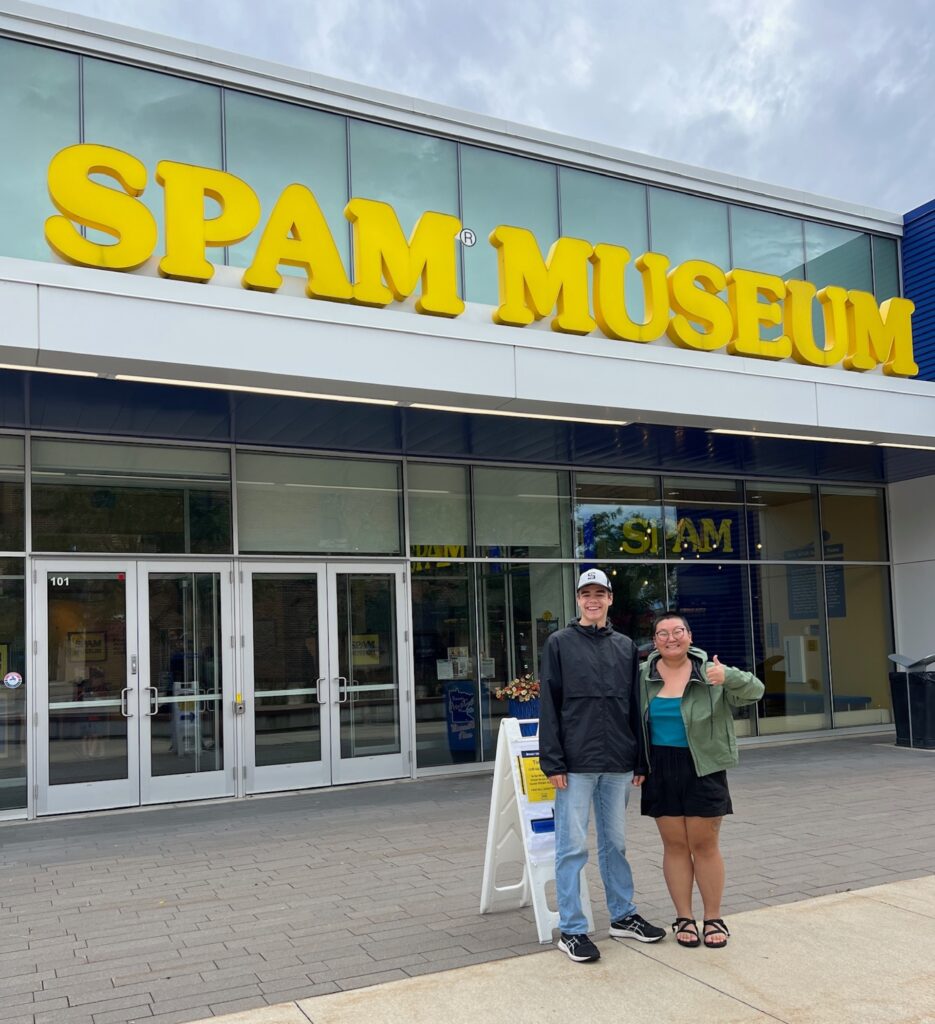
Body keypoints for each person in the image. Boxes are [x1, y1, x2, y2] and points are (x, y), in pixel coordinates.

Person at [538, 568, 665, 963]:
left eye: (600, 594)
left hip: (618, 761)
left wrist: (640, 758)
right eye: (585, 594)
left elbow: (634, 705)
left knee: (616, 843)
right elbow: (550, 704)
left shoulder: (626, 646)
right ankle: (572, 929)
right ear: (578, 599)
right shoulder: (558, 643)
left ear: (610, 599)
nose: (593, 600)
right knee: (571, 847)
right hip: (574, 763)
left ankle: (623, 915)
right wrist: (552, 760)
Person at [638, 612, 764, 949]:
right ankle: (683, 916)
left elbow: (755, 692)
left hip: (703, 765)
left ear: (689, 636)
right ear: (655, 642)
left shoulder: (711, 672)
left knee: (704, 845)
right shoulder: (642, 675)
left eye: (678, 631)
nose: (670, 638)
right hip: (659, 767)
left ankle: (713, 918)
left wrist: (730, 676)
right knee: (675, 845)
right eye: (662, 633)